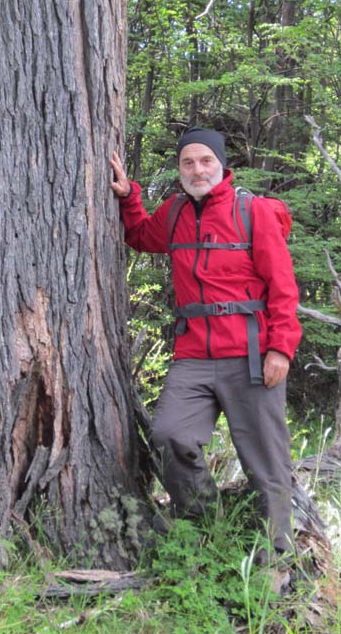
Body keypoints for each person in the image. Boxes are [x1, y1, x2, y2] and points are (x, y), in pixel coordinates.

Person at [110, 127, 302, 564]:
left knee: (266, 463)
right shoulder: (175, 212)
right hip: (194, 354)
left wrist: (281, 348)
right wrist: (128, 196)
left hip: (251, 355)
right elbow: (140, 236)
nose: (197, 170)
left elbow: (283, 288)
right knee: (169, 436)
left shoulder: (252, 211)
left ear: (221, 165)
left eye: (205, 161)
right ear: (179, 171)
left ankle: (276, 560)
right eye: (188, 163)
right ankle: (205, 536)